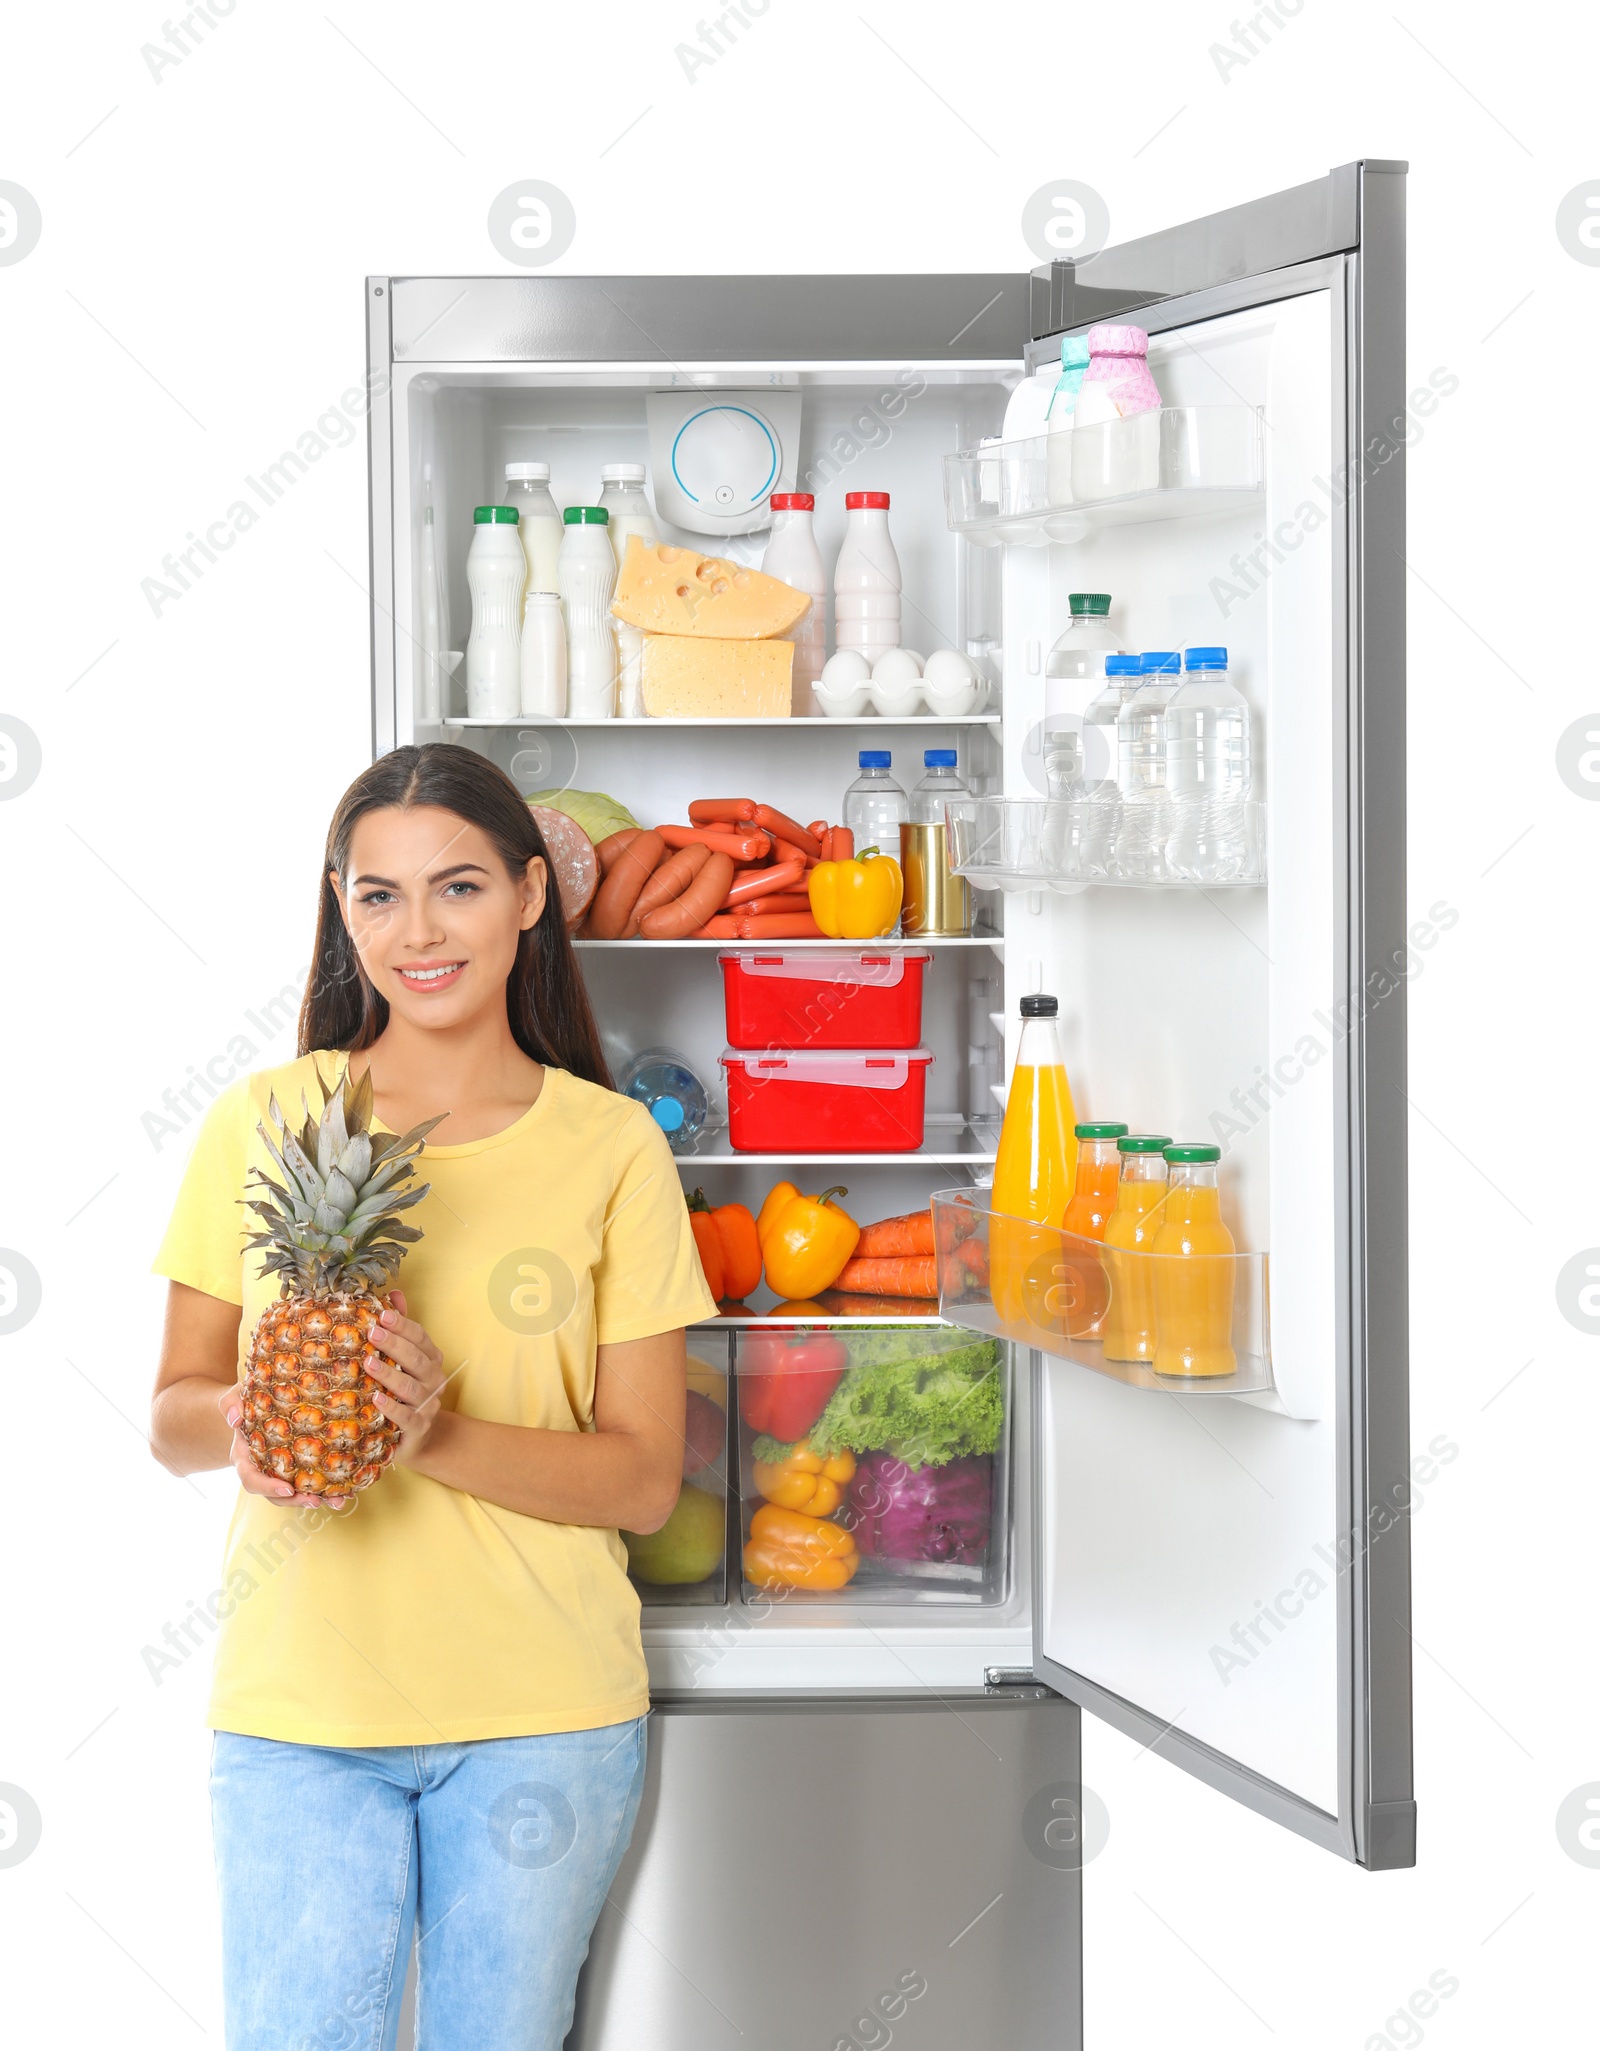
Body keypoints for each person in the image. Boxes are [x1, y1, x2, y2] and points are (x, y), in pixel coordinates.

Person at [148, 744, 717, 2050]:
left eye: (456, 887)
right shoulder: (265, 1121)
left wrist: (436, 1433)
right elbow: (174, 1405)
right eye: (379, 895)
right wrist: (245, 1423)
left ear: (529, 894)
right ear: (342, 911)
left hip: (544, 1715)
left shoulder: (612, 1144)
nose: (419, 932)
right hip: (301, 1714)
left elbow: (639, 1477)